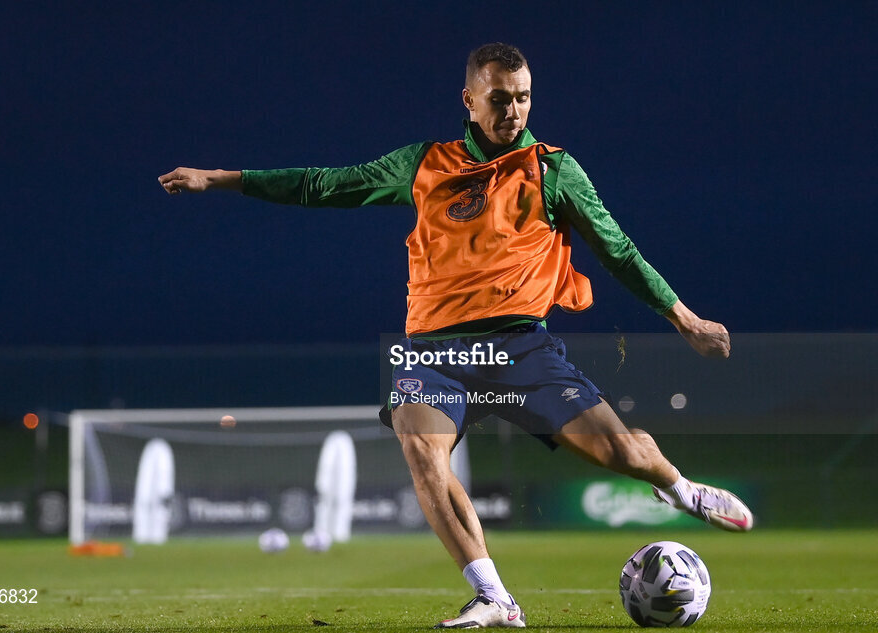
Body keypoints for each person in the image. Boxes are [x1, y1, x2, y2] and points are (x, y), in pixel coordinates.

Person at [159, 42, 752, 629]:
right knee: (421, 446)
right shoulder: (423, 164)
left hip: (521, 348)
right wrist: (219, 179)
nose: (513, 111)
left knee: (621, 453)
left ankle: (679, 490)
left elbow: (617, 249)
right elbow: (324, 184)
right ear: (469, 100)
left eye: (523, 98)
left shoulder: (553, 170)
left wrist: (686, 319)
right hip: (434, 354)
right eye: (500, 99)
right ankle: (494, 597)